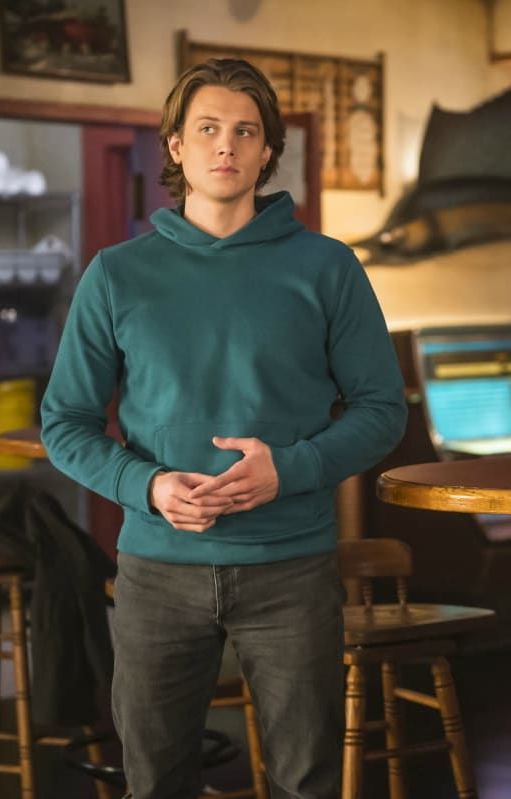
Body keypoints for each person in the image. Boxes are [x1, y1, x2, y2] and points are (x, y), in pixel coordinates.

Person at [41, 58, 407, 799]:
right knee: (156, 782)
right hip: (155, 573)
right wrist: (143, 484)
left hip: (292, 568)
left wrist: (290, 468)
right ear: (175, 145)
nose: (226, 146)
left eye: (246, 131)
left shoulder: (327, 267)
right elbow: (65, 422)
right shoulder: (116, 274)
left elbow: (382, 409)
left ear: (268, 150)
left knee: (307, 781)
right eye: (207, 128)